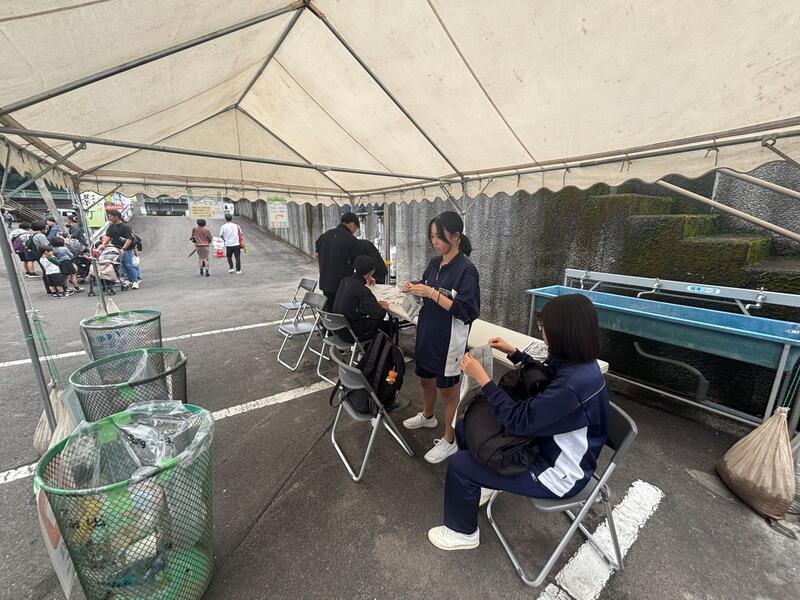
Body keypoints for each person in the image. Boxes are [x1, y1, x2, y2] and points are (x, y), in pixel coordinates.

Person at [426, 294, 609, 551]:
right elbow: (546, 376)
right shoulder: (578, 365)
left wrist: (484, 380)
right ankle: (484, 481)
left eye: (543, 327)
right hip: (542, 444)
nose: (542, 332)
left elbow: (519, 421)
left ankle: (462, 532)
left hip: (557, 472)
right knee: (466, 428)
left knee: (460, 465)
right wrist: (516, 354)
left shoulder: (573, 386)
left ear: (563, 333)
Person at [402, 211, 480, 464]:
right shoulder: (435, 262)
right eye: (432, 236)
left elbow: (467, 311)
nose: (434, 241)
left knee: (448, 391)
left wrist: (432, 293)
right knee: (425, 378)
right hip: (427, 332)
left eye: (439, 236)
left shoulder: (467, 270)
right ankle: (427, 416)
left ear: (456, 236)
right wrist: (413, 286)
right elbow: (427, 284)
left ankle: (449, 439)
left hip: (449, 342)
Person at [332, 255, 393, 343]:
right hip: (351, 334)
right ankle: (381, 350)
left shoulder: (344, 281)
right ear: (370, 272)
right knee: (386, 323)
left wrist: (366, 279)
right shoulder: (362, 290)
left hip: (338, 328)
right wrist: (383, 308)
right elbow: (379, 314)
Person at [315, 212, 361, 310]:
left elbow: (317, 256)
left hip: (325, 282)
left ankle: (328, 320)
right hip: (342, 285)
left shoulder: (324, 236)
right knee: (341, 312)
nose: (354, 231)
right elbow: (357, 263)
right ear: (352, 224)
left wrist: (322, 271)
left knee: (329, 310)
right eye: (355, 228)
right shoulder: (351, 240)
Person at [99, 210, 141, 289]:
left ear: (116, 217)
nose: (109, 218)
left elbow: (129, 239)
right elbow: (108, 237)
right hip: (115, 248)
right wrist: (103, 244)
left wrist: (123, 248)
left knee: (128, 265)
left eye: (110, 216)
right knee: (121, 265)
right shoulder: (111, 227)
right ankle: (127, 279)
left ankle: (135, 281)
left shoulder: (126, 227)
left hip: (126, 249)